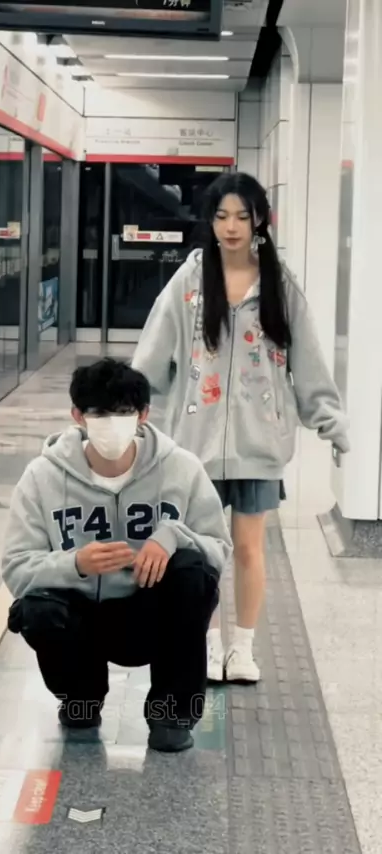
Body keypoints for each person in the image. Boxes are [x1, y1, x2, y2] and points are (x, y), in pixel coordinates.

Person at [132, 172, 349, 684]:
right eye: (221, 216)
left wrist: (329, 419)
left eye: (242, 217)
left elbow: (308, 359)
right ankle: (207, 644)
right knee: (199, 551)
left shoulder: (279, 284)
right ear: (210, 222)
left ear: (260, 221)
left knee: (250, 548)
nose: (231, 227)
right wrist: (128, 404)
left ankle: (243, 649)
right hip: (195, 445)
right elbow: (154, 348)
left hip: (259, 443)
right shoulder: (190, 279)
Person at [1, 358, 232, 753]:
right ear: (78, 416)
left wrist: (173, 536)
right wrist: (75, 564)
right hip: (80, 616)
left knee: (193, 574)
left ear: (143, 414)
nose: (112, 423)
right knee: (36, 609)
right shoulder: (42, 477)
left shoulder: (181, 468)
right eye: (99, 413)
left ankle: (171, 715)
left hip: (152, 612)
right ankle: (81, 698)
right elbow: (16, 566)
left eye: (123, 412)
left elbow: (219, 550)